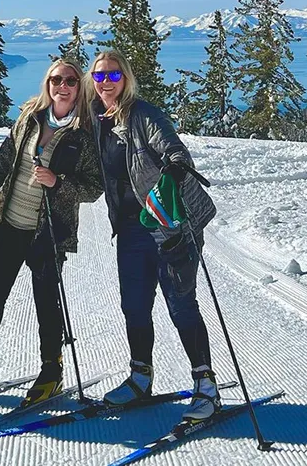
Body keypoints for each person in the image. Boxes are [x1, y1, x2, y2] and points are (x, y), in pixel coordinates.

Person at [0, 58, 103, 407]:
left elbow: (94, 187)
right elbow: (2, 164)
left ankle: (51, 371)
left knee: (46, 302)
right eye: (57, 79)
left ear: (79, 86)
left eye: (71, 80)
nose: (63, 86)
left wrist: (59, 183)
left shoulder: (86, 133)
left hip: (49, 232)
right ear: (48, 83)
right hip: (11, 222)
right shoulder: (30, 119)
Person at [88, 49, 220, 420]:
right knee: (134, 306)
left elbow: (175, 150)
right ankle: (140, 377)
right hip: (132, 229)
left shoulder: (144, 115)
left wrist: (174, 170)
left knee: (181, 306)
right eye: (99, 76)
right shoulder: (98, 121)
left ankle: (206, 386)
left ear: (126, 78)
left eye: (113, 75)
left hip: (171, 227)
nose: (106, 82)